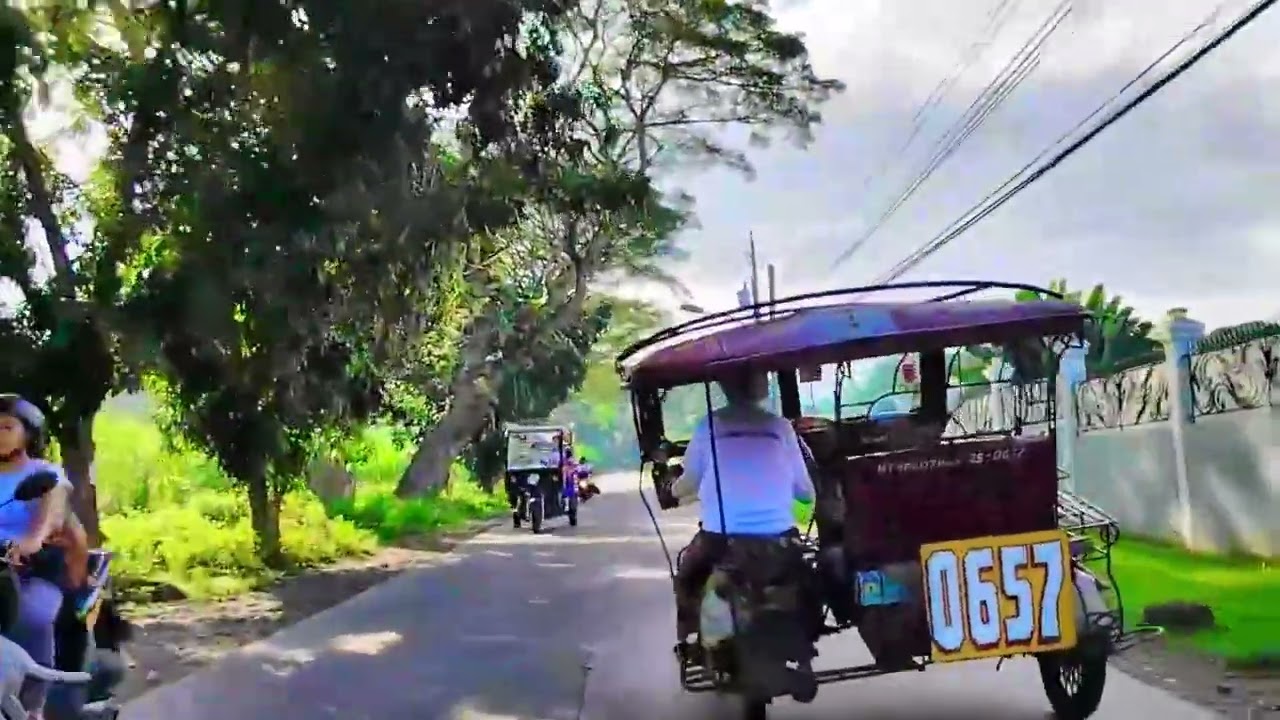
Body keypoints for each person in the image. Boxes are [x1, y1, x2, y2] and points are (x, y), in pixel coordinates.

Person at [668, 371, 816, 646]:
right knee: (809, 578)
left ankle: (688, 638)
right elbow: (805, 492)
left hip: (719, 541)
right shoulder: (781, 427)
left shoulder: (709, 425)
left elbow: (689, 481)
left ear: (724, 386)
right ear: (762, 386)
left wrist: (673, 489)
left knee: (686, 578)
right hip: (780, 540)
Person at [0, 394, 74, 718]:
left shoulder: (45, 474)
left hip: (32, 569)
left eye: (7, 427)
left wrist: (31, 541)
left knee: (31, 617)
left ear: (28, 432)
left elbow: (51, 517)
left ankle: (33, 707)